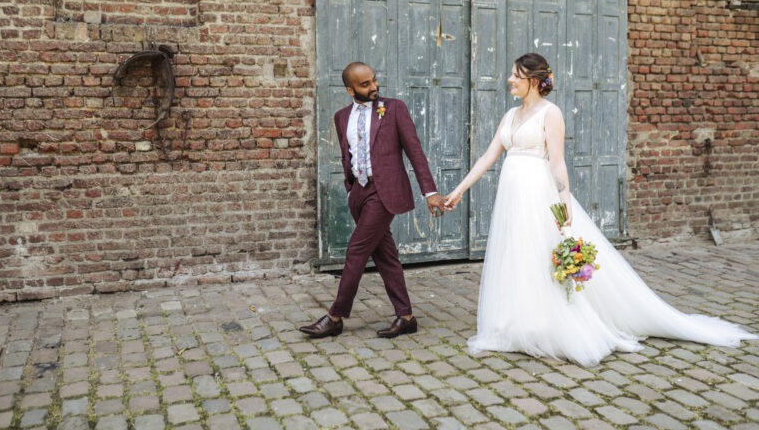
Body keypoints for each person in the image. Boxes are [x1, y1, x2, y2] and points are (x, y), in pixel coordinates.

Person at [444, 52, 757, 366]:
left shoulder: (550, 113)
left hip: (537, 196)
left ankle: (546, 324)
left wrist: (564, 204)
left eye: (516, 75)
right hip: (511, 198)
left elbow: (557, 163)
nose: (509, 80)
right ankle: (518, 321)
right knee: (517, 256)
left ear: (535, 81)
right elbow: (488, 157)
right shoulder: (510, 116)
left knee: (539, 256)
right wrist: (459, 191)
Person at [300, 62, 445, 339]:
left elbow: (415, 151)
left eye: (374, 80)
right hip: (360, 193)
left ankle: (335, 316)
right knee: (385, 255)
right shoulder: (342, 116)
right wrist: (351, 188)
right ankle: (406, 316)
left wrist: (430, 192)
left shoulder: (394, 109)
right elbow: (348, 155)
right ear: (350, 89)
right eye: (365, 84)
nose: (374, 87)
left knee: (356, 249)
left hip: (385, 192)